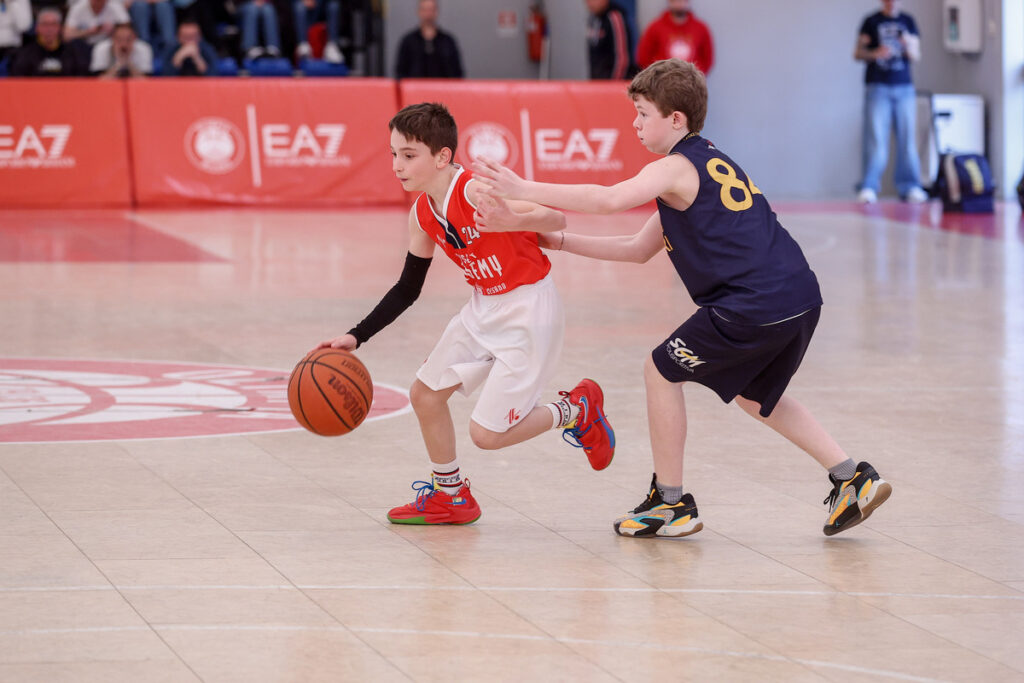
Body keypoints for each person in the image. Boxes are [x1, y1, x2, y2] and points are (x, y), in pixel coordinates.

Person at [473, 59, 891, 538]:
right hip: (799, 297)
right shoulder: (705, 165)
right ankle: (852, 477)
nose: (635, 124)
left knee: (661, 369)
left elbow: (609, 199)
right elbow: (637, 249)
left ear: (676, 119)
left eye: (642, 113)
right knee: (756, 396)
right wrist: (560, 241)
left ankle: (670, 503)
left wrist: (525, 188)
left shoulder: (673, 167)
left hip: (752, 303)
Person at [313, 102, 615, 525]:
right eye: (394, 154)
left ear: (443, 156)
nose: (397, 165)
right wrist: (356, 335)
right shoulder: (422, 213)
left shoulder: (474, 191)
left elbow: (556, 217)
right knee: (425, 395)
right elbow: (408, 288)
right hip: (483, 307)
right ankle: (451, 495)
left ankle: (577, 409)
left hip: (529, 309)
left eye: (409, 155)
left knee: (487, 435)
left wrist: (510, 219)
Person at [854, 0, 927, 204]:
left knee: (907, 140)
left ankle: (910, 186)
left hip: (904, 89)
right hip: (878, 88)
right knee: (876, 140)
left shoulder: (908, 22)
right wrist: (875, 53)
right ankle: (869, 186)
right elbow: (858, 53)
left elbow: (916, 55)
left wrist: (907, 45)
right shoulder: (871, 21)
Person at [636, 0, 712, 74]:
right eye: (675, 1)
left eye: (683, 0)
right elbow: (643, 58)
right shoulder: (655, 27)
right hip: (662, 80)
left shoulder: (701, 28)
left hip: (691, 80)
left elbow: (707, 59)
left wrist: (696, 76)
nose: (679, 4)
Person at [10, 8, 90, 75]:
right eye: (45, 24)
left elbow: (81, 79)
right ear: (37, 28)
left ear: (60, 28)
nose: (49, 29)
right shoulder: (25, 54)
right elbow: (18, 80)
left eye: (53, 24)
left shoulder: (73, 53)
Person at [394, 0, 462, 79]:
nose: (428, 14)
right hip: (415, 86)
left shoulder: (447, 41)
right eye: (425, 10)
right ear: (419, 11)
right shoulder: (408, 41)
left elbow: (457, 72)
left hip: (442, 86)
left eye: (431, 10)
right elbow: (400, 72)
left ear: (436, 11)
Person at [585, 0, 636, 80]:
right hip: (597, 81)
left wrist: (613, 83)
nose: (589, 3)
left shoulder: (615, 17)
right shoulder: (593, 19)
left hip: (614, 82)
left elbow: (622, 58)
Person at [63, 0, 130, 46]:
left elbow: (128, 29)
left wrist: (114, 29)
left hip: (108, 44)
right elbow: (67, 35)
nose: (98, 2)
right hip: (85, 44)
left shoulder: (115, 6)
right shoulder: (78, 7)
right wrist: (88, 32)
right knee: (74, 44)